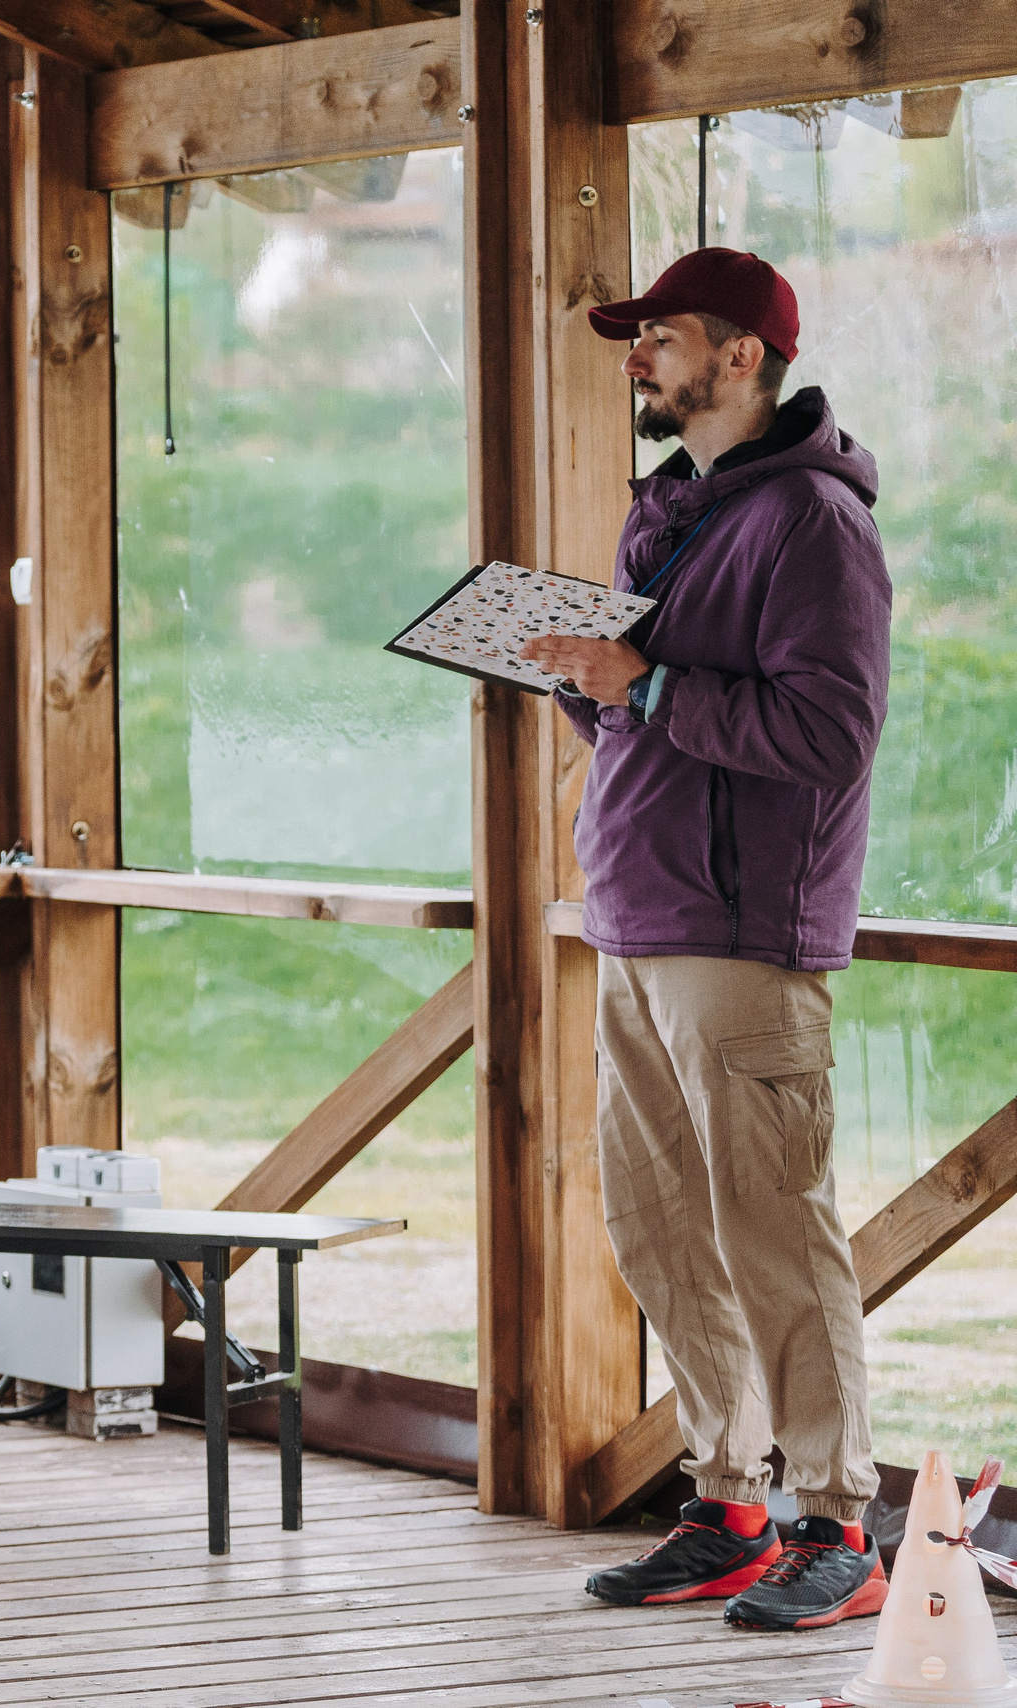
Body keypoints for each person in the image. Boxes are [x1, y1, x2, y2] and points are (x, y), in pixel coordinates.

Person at [518, 249, 892, 1632]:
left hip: (745, 934)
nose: (637, 356)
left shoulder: (814, 525)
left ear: (744, 357)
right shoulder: (669, 508)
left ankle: (835, 1525)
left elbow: (828, 733)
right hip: (635, 917)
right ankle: (729, 1501)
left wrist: (651, 680)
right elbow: (649, 717)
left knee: (776, 1240)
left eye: (660, 336)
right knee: (664, 1231)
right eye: (635, 337)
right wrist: (586, 681)